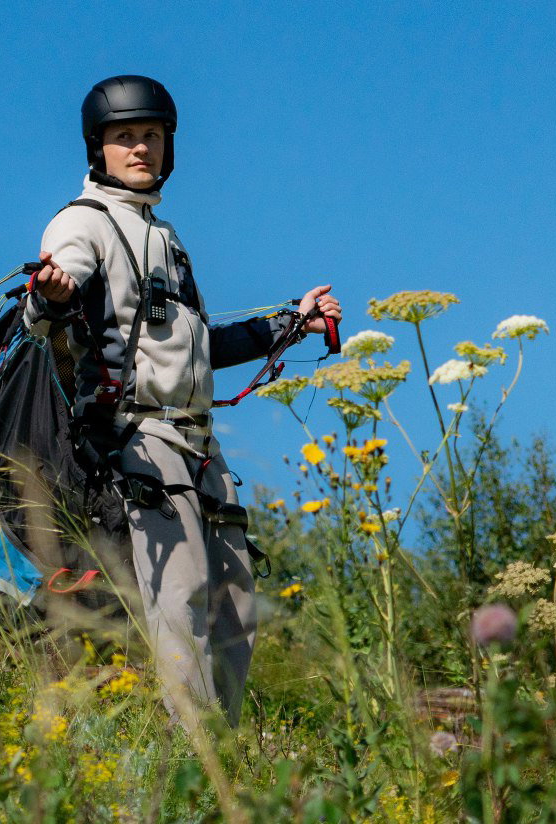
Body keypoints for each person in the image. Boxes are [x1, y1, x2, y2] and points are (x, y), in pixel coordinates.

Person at [23, 75, 341, 726]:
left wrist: (291, 323)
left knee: (234, 596)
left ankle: (217, 746)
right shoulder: (82, 224)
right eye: (123, 138)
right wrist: (50, 295)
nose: (139, 148)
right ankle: (196, 751)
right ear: (98, 150)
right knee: (184, 587)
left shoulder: (162, 238)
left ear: (168, 147)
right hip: (137, 436)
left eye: (151, 136)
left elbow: (196, 347)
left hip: (196, 440)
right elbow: (52, 300)